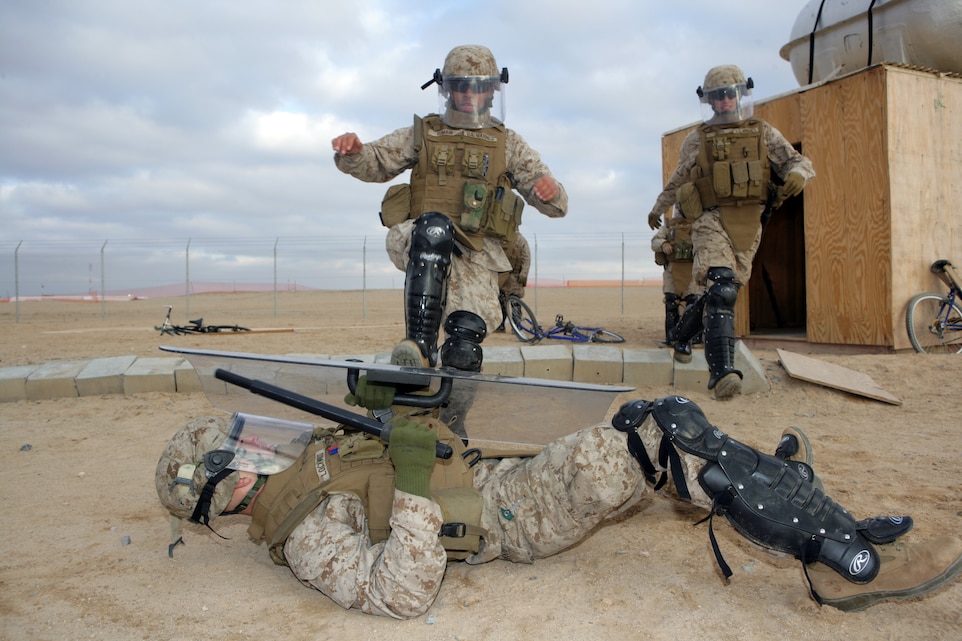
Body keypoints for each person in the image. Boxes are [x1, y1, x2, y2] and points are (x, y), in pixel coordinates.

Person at [156, 394, 962, 619]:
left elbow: (409, 440)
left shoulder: (310, 463)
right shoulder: (298, 537)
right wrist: (407, 489)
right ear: (224, 481)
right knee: (647, 442)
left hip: (493, 476)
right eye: (236, 445)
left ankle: (815, 512)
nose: (255, 443)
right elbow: (400, 593)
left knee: (657, 427)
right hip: (509, 518)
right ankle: (844, 558)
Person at [331, 45, 567, 369]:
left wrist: (550, 192)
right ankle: (419, 349)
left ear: (491, 92)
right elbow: (376, 161)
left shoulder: (508, 143)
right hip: (420, 240)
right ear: (447, 89)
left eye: (479, 87)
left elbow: (550, 197)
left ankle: (452, 417)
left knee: (463, 352)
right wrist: (353, 152)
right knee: (434, 229)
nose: (470, 94)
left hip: (478, 254)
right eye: (461, 86)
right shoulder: (424, 132)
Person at [646, 64, 816, 400]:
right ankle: (722, 373)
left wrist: (798, 174)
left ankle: (682, 334)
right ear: (708, 102)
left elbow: (798, 162)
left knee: (722, 292)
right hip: (710, 221)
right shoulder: (697, 139)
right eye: (716, 97)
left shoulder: (762, 132)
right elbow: (679, 178)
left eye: (728, 95)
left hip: (749, 223)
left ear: (740, 96)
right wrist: (658, 207)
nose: (723, 102)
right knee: (721, 288)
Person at [650, 205, 694, 346]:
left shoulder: (698, 225)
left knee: (694, 305)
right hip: (672, 271)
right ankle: (670, 337)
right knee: (671, 305)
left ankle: (693, 338)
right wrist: (663, 244)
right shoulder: (668, 227)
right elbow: (654, 242)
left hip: (692, 272)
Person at [496, 231, 531, 331]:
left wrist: (523, 274)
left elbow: (526, 257)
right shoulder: (501, 238)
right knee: (501, 301)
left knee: (515, 302)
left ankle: (516, 326)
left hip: (515, 276)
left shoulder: (520, 240)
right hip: (503, 275)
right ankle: (500, 325)